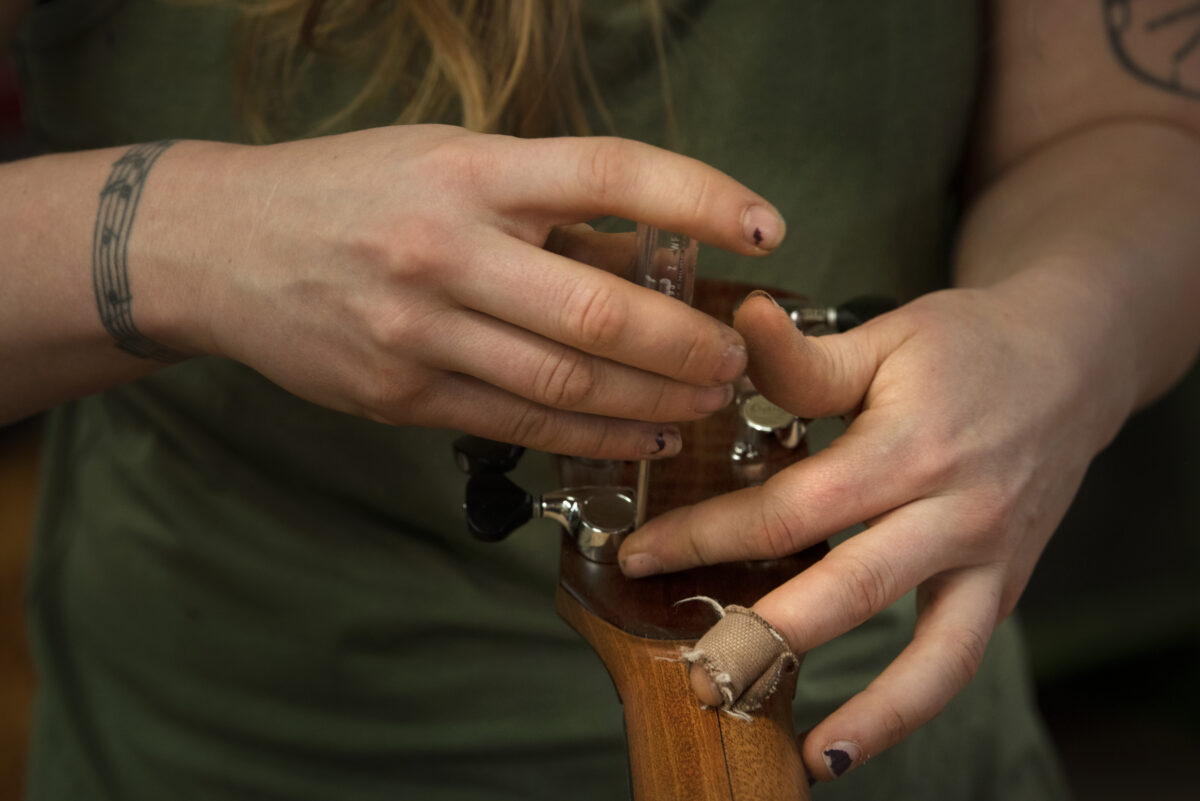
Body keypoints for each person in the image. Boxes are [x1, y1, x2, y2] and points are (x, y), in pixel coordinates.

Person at [2, 0, 1197, 798]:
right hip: (235, 745)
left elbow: (1131, 116)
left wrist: (1060, 338)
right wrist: (182, 240)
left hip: (884, 726)